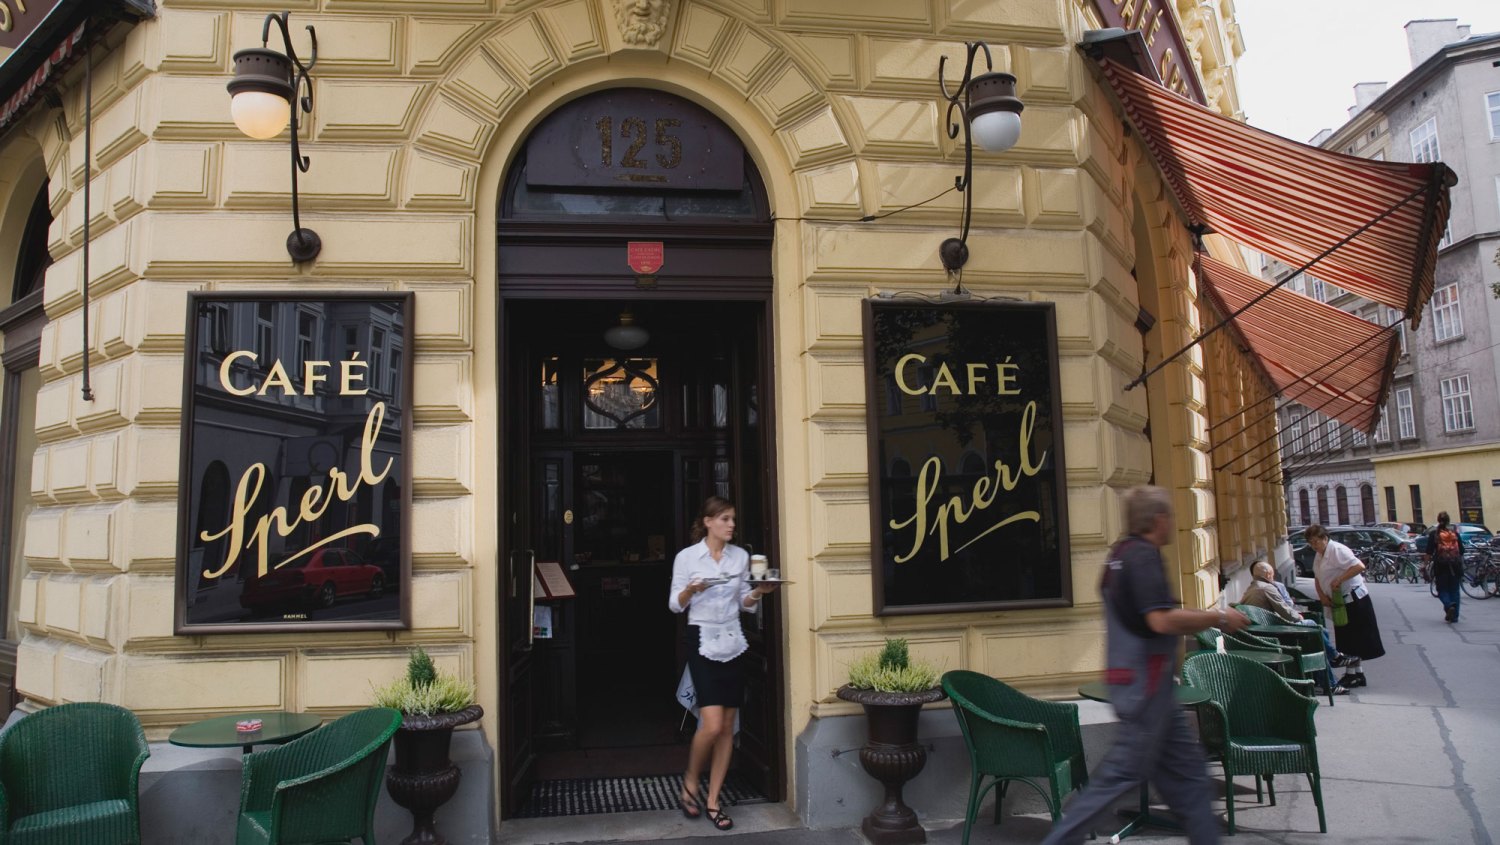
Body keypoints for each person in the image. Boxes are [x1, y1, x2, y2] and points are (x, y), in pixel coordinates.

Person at [1040, 486, 1250, 845]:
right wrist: (1217, 616)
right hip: (1147, 688)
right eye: (1170, 516)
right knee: (1118, 778)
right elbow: (1161, 621)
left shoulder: (1118, 557)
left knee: (1189, 780)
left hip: (1143, 686)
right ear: (1159, 519)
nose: (1173, 523)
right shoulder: (1143, 558)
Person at [667, 496, 778, 831]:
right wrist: (691, 589)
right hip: (701, 640)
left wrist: (760, 591)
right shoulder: (687, 557)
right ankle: (690, 780)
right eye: (725, 519)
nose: (731, 525)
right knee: (712, 725)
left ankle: (713, 800)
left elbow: (744, 603)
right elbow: (675, 604)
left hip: (733, 641)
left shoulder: (741, 556)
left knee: (728, 726)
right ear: (708, 522)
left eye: (732, 519)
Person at [1242, 560, 1346, 694]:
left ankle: (1333, 664)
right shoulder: (1267, 588)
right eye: (1272, 574)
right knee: (1314, 628)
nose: (1273, 577)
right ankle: (1333, 665)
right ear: (1268, 574)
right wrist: (1298, 617)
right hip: (1272, 634)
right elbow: (1286, 612)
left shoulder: (1252, 588)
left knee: (1319, 633)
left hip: (1262, 632)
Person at [1307, 524, 1384, 688]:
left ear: (1324, 539)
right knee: (1346, 637)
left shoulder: (1337, 550)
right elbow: (1317, 577)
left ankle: (1352, 675)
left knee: (1353, 638)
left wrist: (1339, 579)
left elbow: (1359, 566)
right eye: (1311, 543)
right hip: (1339, 602)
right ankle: (1357, 674)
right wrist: (1322, 597)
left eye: (1316, 542)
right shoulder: (1320, 555)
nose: (1314, 546)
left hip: (1354, 599)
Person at [1425, 512, 1463, 623]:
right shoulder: (1454, 533)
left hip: (1441, 566)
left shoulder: (1434, 534)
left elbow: (1429, 551)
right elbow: (1461, 550)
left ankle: (1448, 604)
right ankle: (1455, 616)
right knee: (1455, 590)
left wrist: (1425, 565)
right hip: (1455, 566)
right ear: (1448, 520)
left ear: (1438, 520)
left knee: (1442, 589)